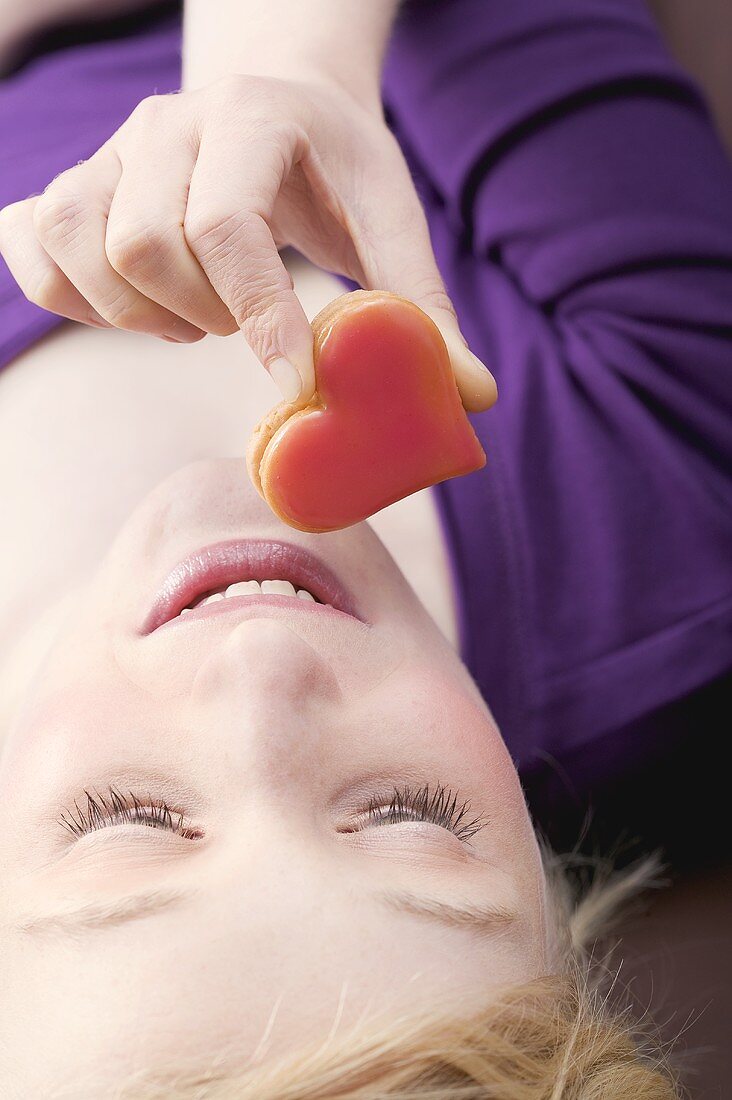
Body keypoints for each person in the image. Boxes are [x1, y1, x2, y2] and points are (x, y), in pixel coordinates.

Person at [0, 0, 730, 1096]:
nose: (264, 671)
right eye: (405, 814)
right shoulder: (662, 494)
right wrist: (290, 66)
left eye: (134, 820)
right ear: (550, 900)